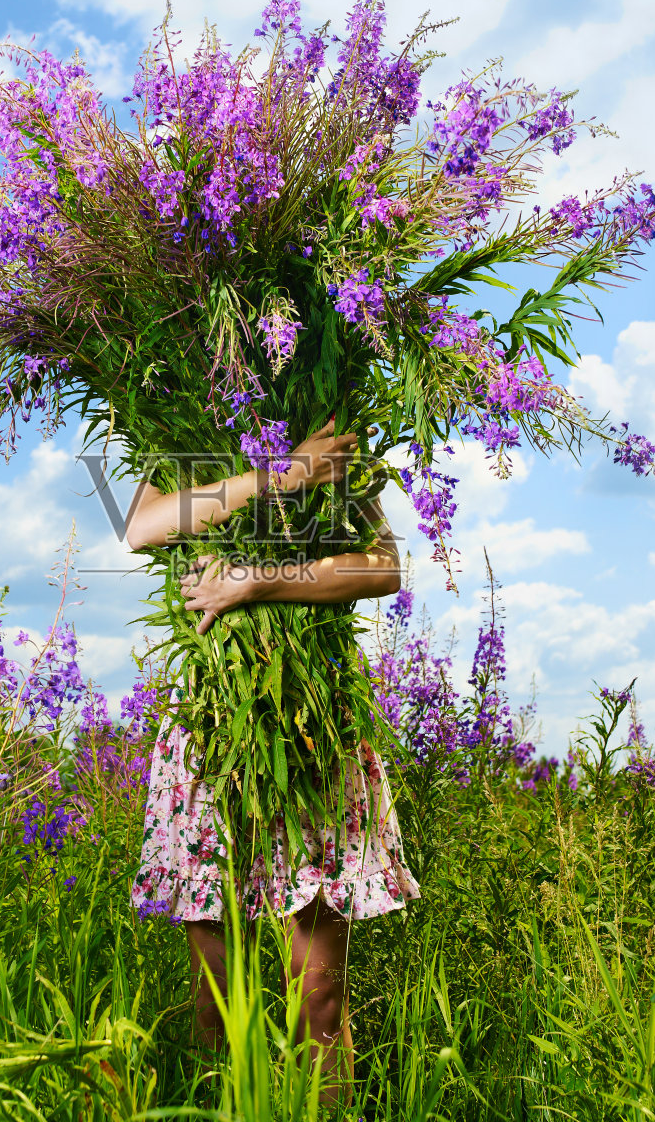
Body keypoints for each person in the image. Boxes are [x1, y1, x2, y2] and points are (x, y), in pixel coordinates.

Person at [123, 419, 421, 1097]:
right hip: (210, 727)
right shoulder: (180, 410)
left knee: (316, 999)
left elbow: (382, 567)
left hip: (312, 723)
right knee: (217, 1000)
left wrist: (256, 581)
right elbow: (144, 528)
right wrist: (283, 475)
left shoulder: (332, 416)